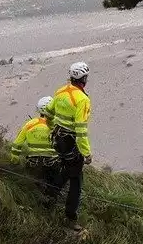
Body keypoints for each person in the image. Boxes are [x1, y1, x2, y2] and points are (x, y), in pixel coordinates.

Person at [49, 61, 92, 232]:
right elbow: (81, 129)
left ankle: (49, 196)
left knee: (67, 170)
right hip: (71, 142)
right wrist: (86, 153)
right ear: (84, 78)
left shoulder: (60, 91)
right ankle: (70, 217)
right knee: (76, 181)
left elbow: (50, 112)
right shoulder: (82, 99)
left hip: (58, 138)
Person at [11, 96, 63, 205]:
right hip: (53, 164)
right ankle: (52, 202)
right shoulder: (57, 125)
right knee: (55, 185)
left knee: (33, 188)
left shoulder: (30, 124)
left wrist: (15, 160)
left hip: (33, 163)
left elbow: (17, 144)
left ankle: (35, 203)